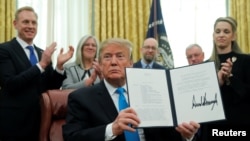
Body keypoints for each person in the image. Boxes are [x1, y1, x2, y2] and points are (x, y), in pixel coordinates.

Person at [63, 38, 200, 141]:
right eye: (107, 57)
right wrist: (112, 129)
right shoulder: (81, 98)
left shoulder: (152, 93)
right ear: (99, 64)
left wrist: (186, 136)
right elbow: (71, 137)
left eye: (120, 56)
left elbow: (165, 134)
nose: (114, 62)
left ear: (130, 63)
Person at [0, 6, 74, 141]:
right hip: (13, 123)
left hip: (41, 122)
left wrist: (59, 66)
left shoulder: (42, 53)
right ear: (15, 24)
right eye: (25, 22)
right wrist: (41, 65)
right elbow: (11, 84)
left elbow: (51, 87)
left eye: (34, 23)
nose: (30, 26)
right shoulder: (4, 50)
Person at [198, 17, 250, 141]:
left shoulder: (246, 61)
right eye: (218, 31)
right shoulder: (204, 66)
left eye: (226, 32)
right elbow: (200, 100)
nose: (221, 35)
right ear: (213, 35)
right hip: (212, 127)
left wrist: (231, 78)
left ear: (233, 36)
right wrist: (217, 83)